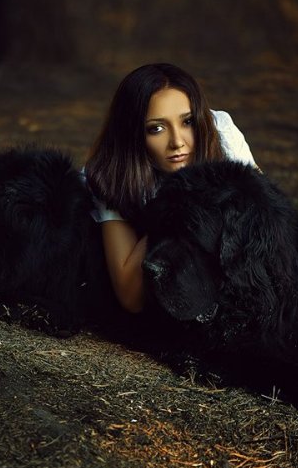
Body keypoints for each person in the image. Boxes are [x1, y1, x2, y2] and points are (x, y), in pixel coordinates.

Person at [83, 63, 258, 314]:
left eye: (187, 122)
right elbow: (131, 296)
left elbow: (267, 216)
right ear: (133, 136)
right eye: (156, 128)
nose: (177, 142)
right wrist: (173, 207)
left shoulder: (221, 134)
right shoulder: (113, 175)